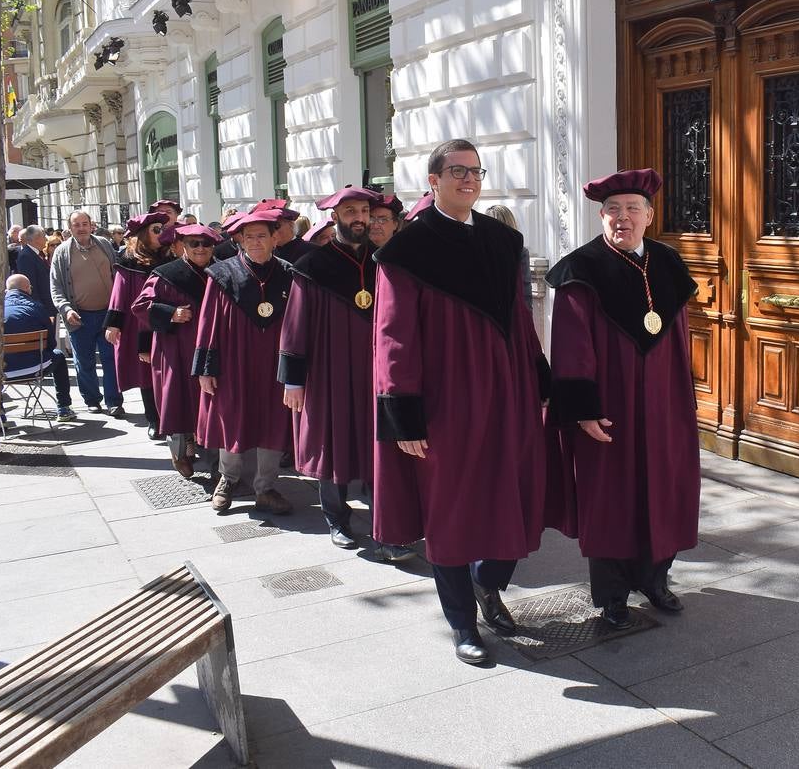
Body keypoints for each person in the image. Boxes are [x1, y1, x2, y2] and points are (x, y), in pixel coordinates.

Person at [372, 138, 558, 665]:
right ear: (433, 181)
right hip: (445, 403)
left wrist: (540, 381)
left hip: (509, 395)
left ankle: (488, 579)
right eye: (457, 171)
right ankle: (462, 625)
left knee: (515, 498)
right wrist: (401, 411)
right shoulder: (408, 250)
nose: (469, 179)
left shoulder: (502, 240)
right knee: (451, 514)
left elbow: (521, 318)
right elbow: (394, 336)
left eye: (476, 170)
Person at [547, 168, 699, 628]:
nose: (622, 219)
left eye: (633, 209)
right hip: (609, 410)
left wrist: (684, 399)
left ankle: (656, 579)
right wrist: (583, 410)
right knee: (610, 496)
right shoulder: (581, 271)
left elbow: (680, 338)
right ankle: (612, 594)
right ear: (601, 217)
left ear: (650, 216)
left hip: (664, 407)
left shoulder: (668, 263)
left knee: (665, 489)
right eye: (612, 210)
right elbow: (571, 348)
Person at [280, 187, 414, 560]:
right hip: (329, 371)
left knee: (378, 445)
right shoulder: (312, 266)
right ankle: (337, 518)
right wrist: (294, 379)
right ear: (334, 216)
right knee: (332, 440)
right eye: (351, 210)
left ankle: (383, 522)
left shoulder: (384, 261)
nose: (359, 217)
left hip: (377, 372)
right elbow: (295, 325)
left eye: (364, 211)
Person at [194, 209, 294, 516]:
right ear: (239, 239)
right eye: (248, 236)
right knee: (232, 418)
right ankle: (228, 479)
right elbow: (208, 322)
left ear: (275, 238)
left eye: (262, 235)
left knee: (273, 422)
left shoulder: (288, 273)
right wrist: (206, 368)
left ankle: (265, 487)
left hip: (274, 363)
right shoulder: (223, 274)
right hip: (234, 362)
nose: (255, 242)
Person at [133, 224, 222, 478]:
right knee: (179, 401)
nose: (200, 249)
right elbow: (140, 306)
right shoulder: (165, 275)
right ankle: (180, 452)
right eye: (194, 243)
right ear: (182, 246)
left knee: (212, 402)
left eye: (205, 244)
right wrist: (171, 313)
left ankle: (217, 461)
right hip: (176, 350)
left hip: (213, 348)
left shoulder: (221, 271)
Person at [104, 213, 170, 438]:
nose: (162, 233)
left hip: (169, 321)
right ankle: (153, 419)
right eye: (156, 229)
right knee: (146, 373)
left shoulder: (170, 255)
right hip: (140, 323)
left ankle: (172, 418)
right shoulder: (128, 260)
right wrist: (113, 324)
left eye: (163, 229)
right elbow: (119, 293)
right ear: (144, 234)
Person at [51, 211, 123, 415]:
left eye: (85, 224)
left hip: (108, 314)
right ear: (70, 227)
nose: (81, 228)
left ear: (92, 225)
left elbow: (118, 274)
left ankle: (114, 401)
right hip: (79, 316)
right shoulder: (62, 252)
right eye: (76, 224)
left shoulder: (104, 244)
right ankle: (92, 399)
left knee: (111, 359)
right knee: (84, 361)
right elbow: (55, 287)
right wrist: (66, 309)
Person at [4, 274, 76, 421]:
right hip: (36, 367)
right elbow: (51, 343)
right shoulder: (36, 308)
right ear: (26, 288)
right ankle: (63, 407)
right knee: (59, 356)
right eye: (29, 287)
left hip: (2, 371)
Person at [15, 226, 54, 316]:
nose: (46, 239)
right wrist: (39, 308)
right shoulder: (26, 256)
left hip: (48, 305)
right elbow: (30, 285)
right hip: (42, 307)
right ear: (37, 238)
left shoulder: (38, 254)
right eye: (44, 236)